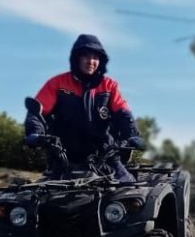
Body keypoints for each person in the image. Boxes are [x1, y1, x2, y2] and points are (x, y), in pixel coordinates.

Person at [24, 34, 143, 182]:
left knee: (130, 189)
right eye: (86, 56)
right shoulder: (57, 83)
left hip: (105, 155)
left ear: (101, 61)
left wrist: (132, 135)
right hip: (64, 158)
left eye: (95, 57)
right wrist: (35, 133)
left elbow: (123, 114)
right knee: (44, 192)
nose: (91, 61)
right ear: (76, 58)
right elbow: (37, 112)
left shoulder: (109, 86)